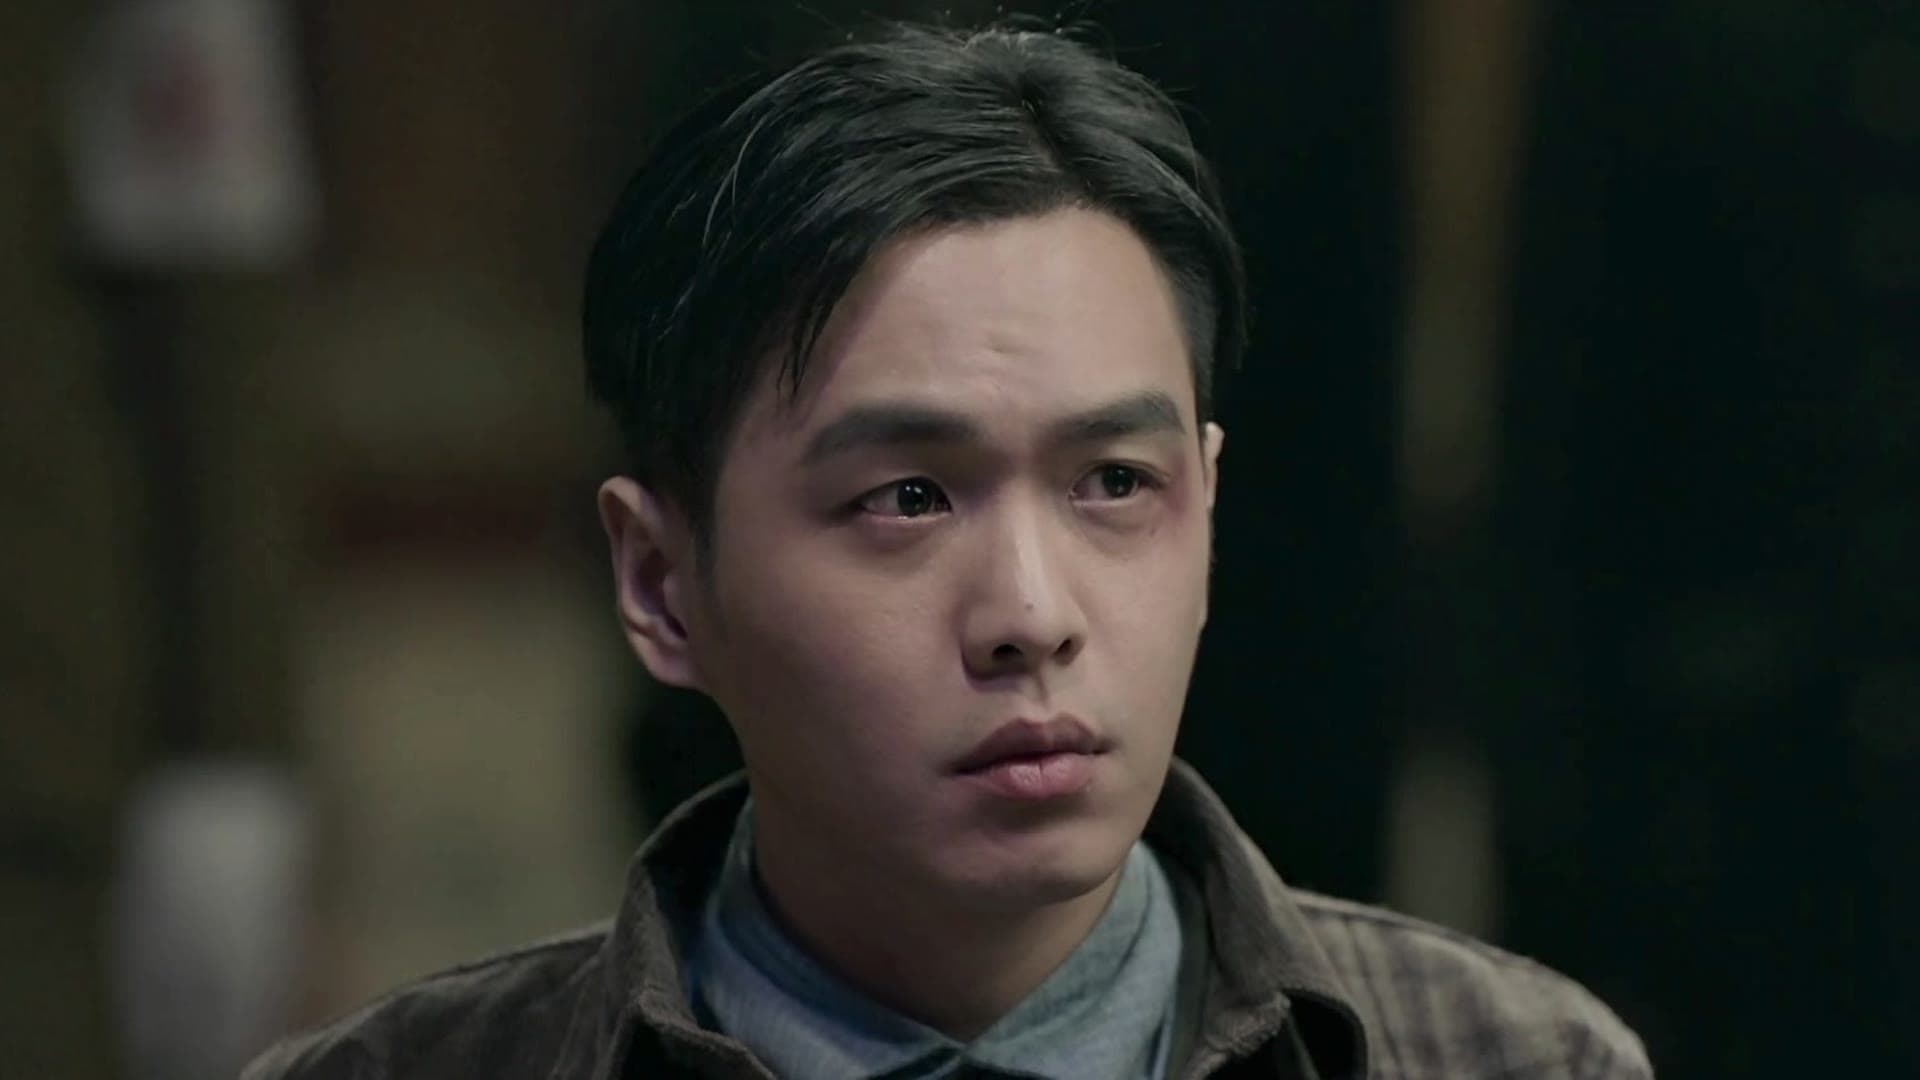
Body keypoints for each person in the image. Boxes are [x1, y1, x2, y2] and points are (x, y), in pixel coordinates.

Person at [245, 21, 1650, 1080]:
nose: (1031, 614)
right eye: (909, 498)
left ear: (1211, 513)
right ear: (663, 583)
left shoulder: (1511, 1059)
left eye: (1116, 482)